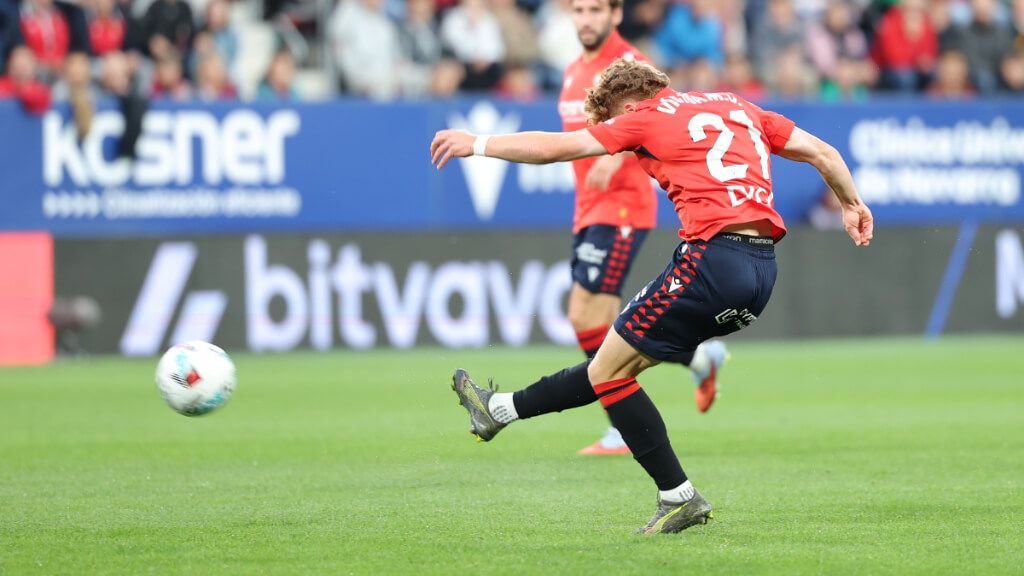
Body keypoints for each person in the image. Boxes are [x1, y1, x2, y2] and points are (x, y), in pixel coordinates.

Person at [430, 59, 873, 534]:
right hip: (763, 269)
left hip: (712, 260)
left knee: (608, 371)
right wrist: (852, 204)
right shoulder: (735, 104)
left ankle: (678, 496)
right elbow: (822, 152)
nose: (618, 132)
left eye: (614, 116)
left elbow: (556, 148)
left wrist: (477, 143)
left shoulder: (647, 115)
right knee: (613, 368)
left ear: (630, 103)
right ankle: (498, 410)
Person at [560, 0, 728, 458]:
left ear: (615, 15)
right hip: (589, 209)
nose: (586, 19)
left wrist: (613, 159)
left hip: (621, 208)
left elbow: (661, 120)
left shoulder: (631, 68)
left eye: (595, 9)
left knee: (584, 315)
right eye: (578, 10)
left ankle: (619, 424)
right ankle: (697, 357)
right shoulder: (574, 69)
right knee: (605, 322)